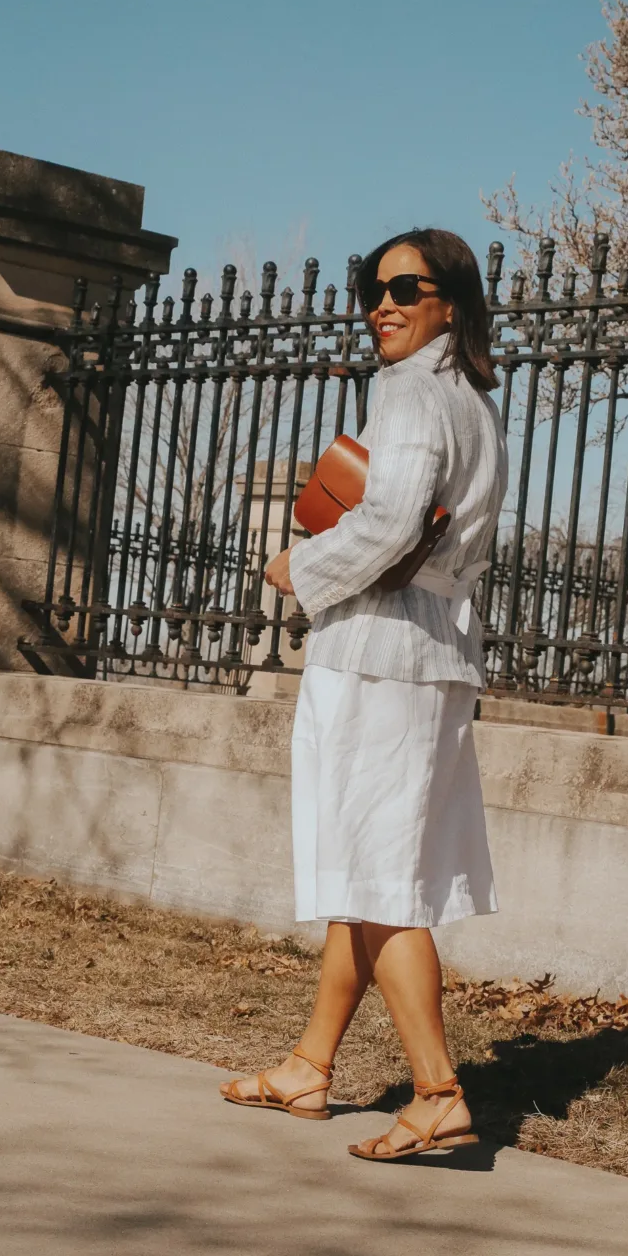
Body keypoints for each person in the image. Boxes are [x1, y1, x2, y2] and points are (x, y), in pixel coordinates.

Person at [220, 228, 508, 1161]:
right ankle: (310, 1064)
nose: (381, 303)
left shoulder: (411, 392)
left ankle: (438, 1092)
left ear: (449, 302)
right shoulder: (473, 405)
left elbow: (387, 522)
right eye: (370, 288)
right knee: (368, 866)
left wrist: (299, 566)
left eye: (404, 288)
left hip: (382, 656)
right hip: (432, 656)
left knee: (384, 886)